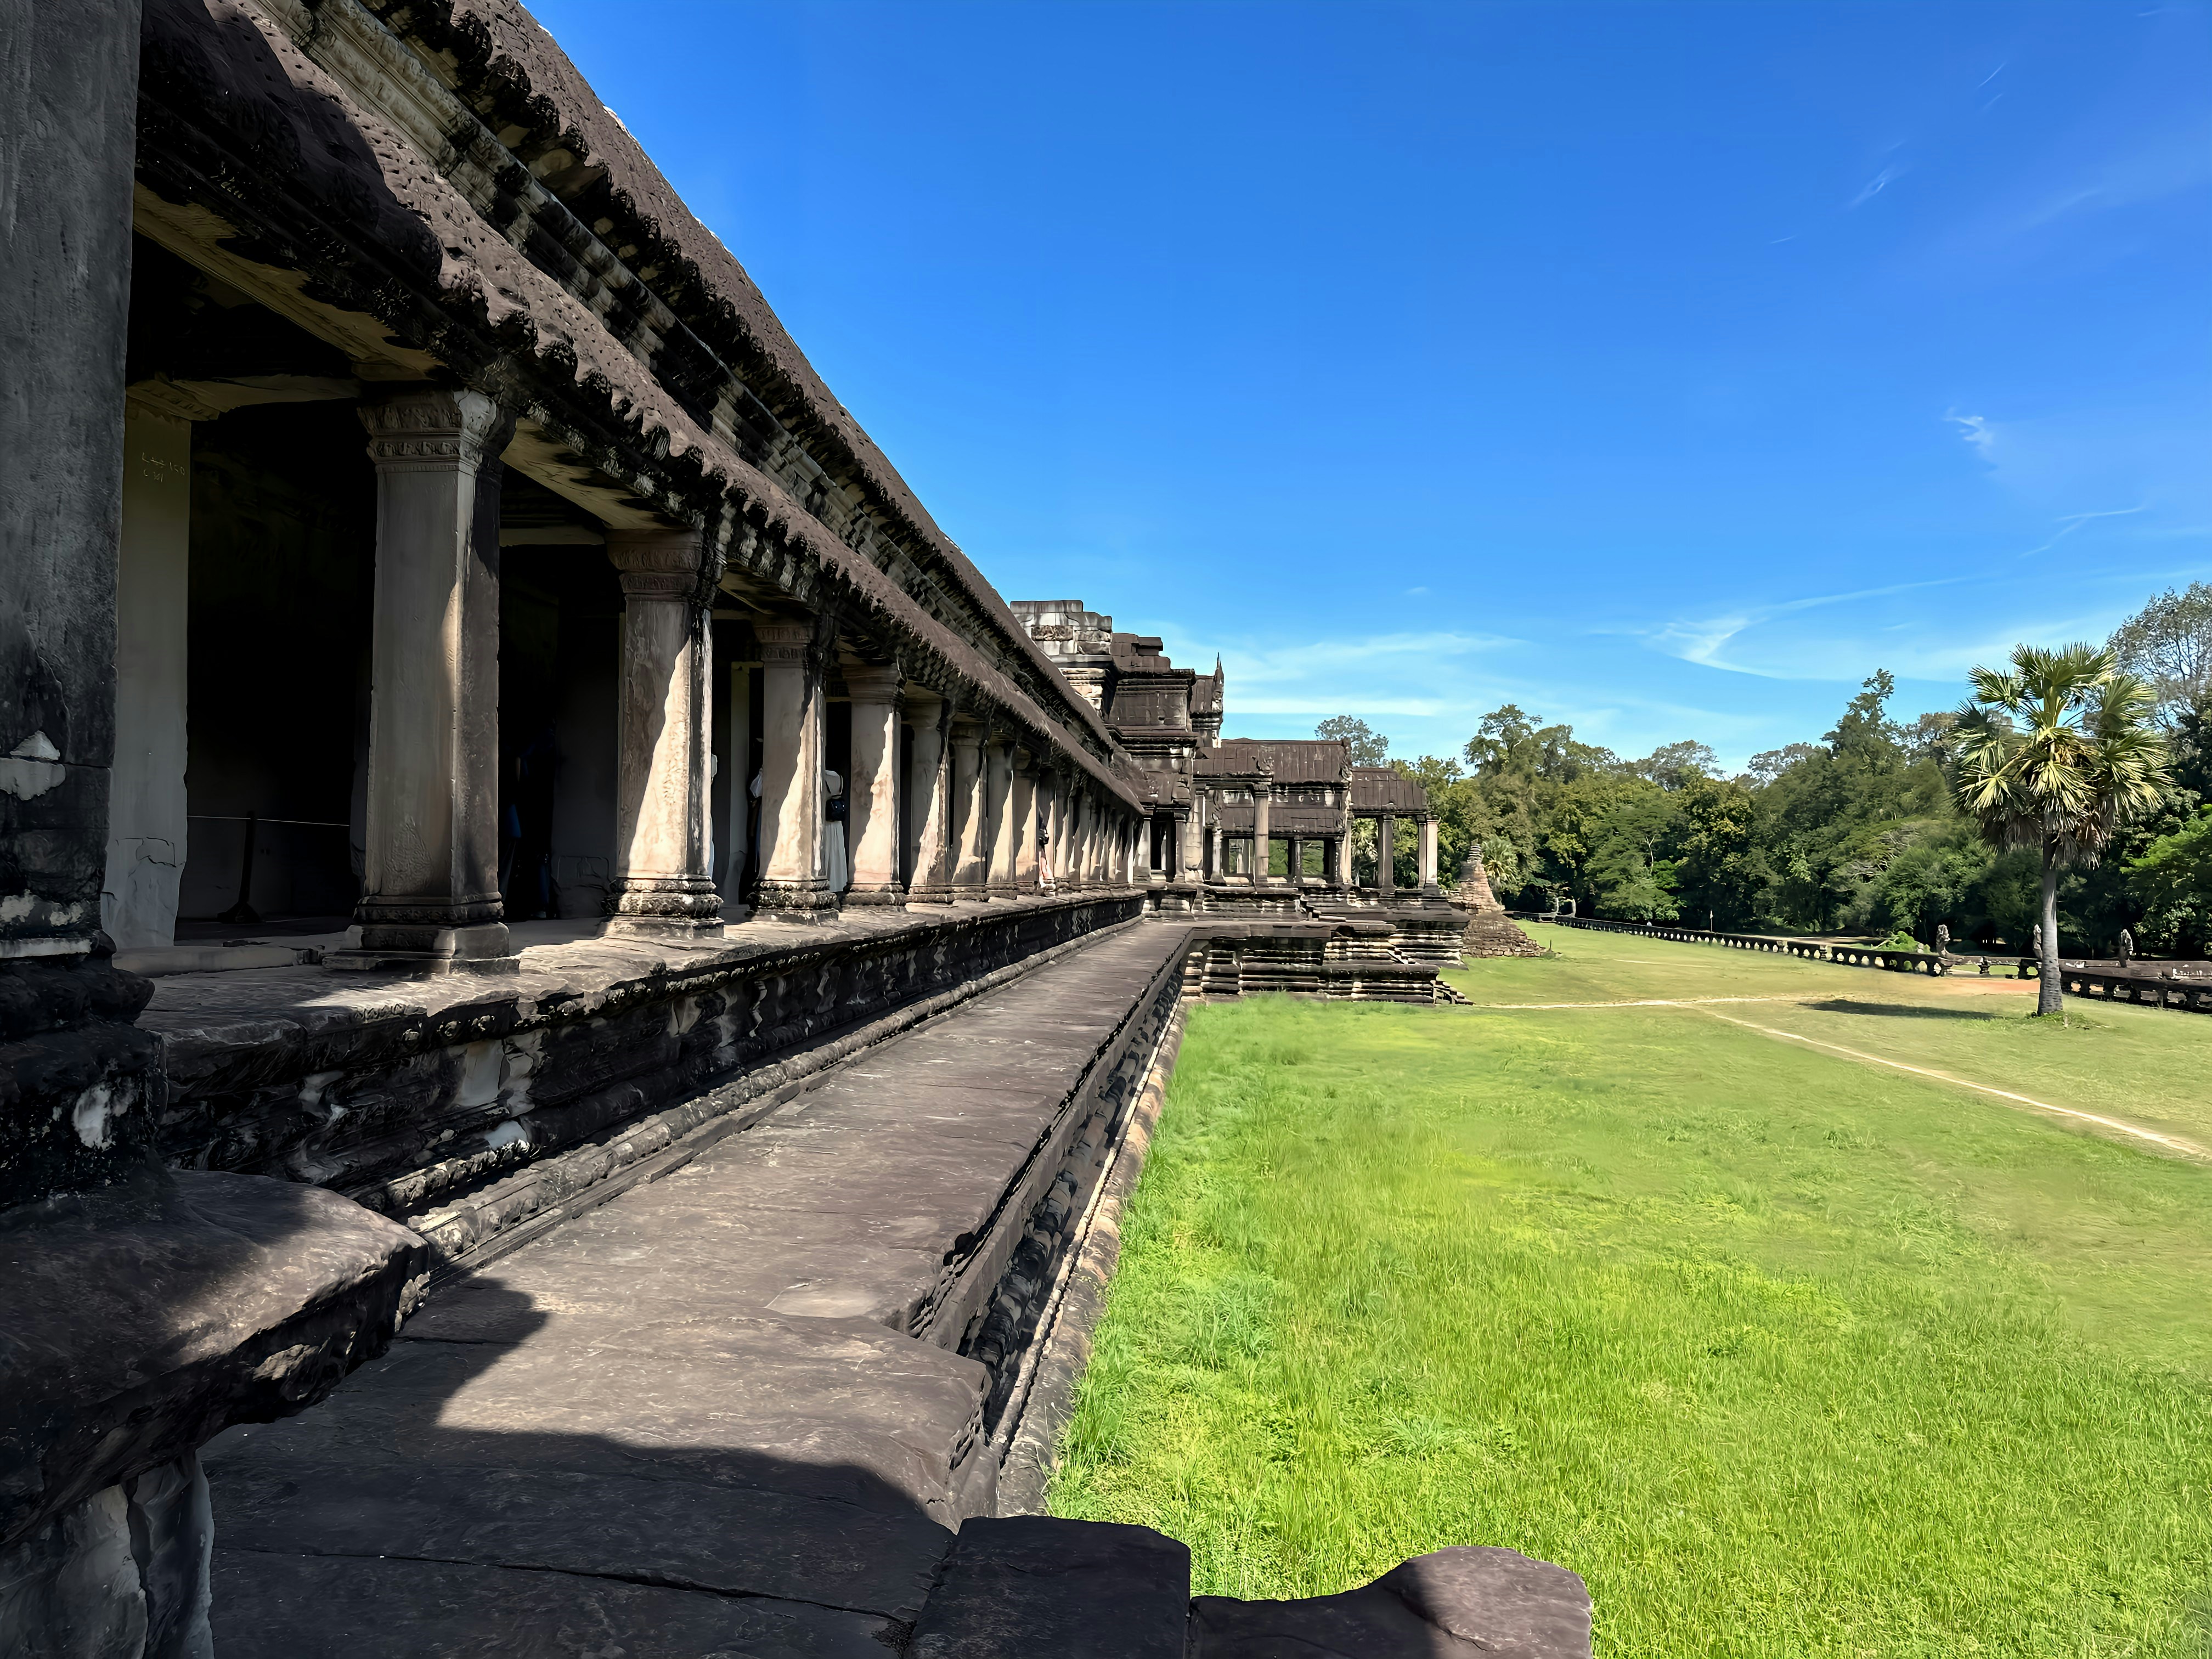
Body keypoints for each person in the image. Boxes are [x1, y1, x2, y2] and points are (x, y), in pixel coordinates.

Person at [823, 769, 849, 895]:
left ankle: (828, 883)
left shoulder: (822, 777)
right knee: (836, 853)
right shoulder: (839, 778)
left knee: (827, 852)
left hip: (826, 822)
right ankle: (837, 884)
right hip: (837, 824)